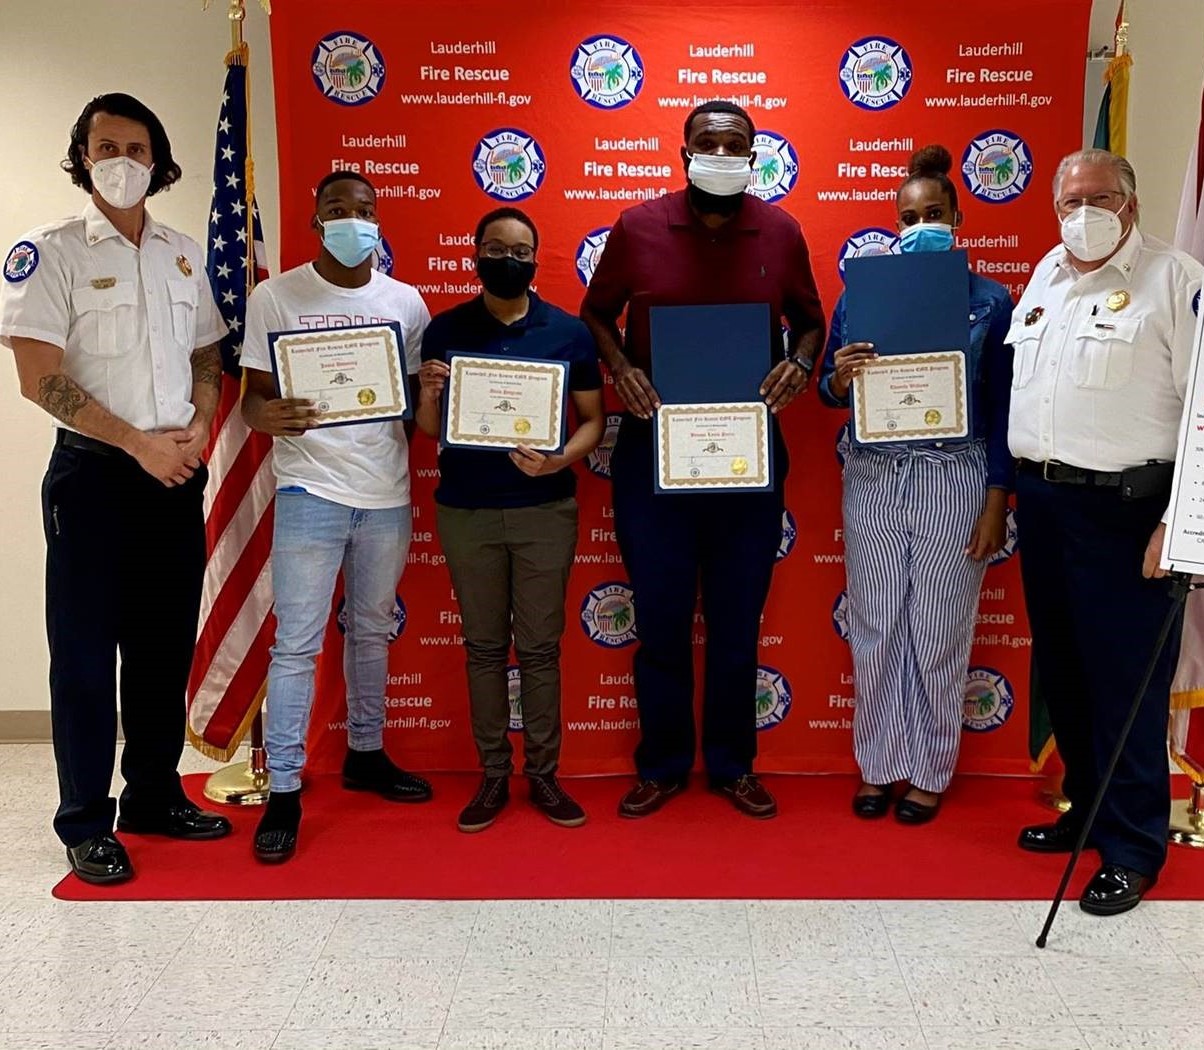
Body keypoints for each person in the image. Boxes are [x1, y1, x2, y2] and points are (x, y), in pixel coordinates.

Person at [0, 93, 233, 885]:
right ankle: (85, 821)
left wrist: (197, 430)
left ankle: (155, 796)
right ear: (82, 157)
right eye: (106, 148)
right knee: (86, 656)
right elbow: (38, 377)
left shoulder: (180, 251)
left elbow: (207, 354)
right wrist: (135, 444)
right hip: (94, 478)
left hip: (175, 470)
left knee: (165, 649)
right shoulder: (51, 251)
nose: (122, 163)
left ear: (158, 161)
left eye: (136, 148)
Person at [580, 100, 825, 820]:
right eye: (707, 142)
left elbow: (810, 320)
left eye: (736, 143)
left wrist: (801, 364)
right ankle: (659, 764)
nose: (721, 151)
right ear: (684, 151)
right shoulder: (637, 227)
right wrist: (619, 365)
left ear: (755, 154)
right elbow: (597, 312)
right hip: (655, 456)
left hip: (747, 462)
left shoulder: (779, 233)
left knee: (735, 621)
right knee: (658, 620)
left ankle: (732, 765)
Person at [1010, 149, 1203, 915]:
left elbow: (1203, 415)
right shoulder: (1048, 276)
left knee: (1126, 688)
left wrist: (1179, 526)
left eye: (1097, 198)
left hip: (1128, 516)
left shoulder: (1175, 281)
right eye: (1068, 201)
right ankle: (1086, 814)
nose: (1081, 213)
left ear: (1130, 201)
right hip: (1047, 505)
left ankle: (1132, 848)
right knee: (1068, 674)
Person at [817, 145, 1014, 824]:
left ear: (958, 217)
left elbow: (1004, 406)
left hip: (952, 471)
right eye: (909, 215)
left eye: (933, 212)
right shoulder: (862, 293)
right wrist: (840, 376)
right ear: (894, 223)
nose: (921, 223)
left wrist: (996, 500)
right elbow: (825, 388)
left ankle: (929, 768)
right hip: (874, 471)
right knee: (874, 626)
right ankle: (878, 765)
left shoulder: (990, 302)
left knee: (936, 627)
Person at [240, 171, 432, 863]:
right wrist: (272, 415)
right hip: (310, 493)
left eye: (364, 210)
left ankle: (366, 752)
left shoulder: (407, 303)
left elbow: (411, 409)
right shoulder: (276, 296)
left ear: (379, 221)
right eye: (337, 210)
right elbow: (252, 402)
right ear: (317, 221)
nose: (353, 220)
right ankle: (284, 791)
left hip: (385, 494)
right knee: (297, 643)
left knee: (373, 631)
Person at [416, 208, 605, 833]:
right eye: (494, 247)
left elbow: (594, 423)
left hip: (543, 512)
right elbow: (425, 429)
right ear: (474, 254)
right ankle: (494, 773)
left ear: (535, 257)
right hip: (466, 510)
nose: (507, 258)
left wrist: (557, 463)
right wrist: (432, 394)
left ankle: (544, 775)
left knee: (542, 648)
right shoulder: (444, 331)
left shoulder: (569, 332)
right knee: (484, 647)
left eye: (519, 250)